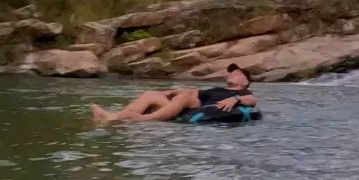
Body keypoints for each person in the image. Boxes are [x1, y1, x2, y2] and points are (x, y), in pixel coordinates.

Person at [91, 63, 258, 125]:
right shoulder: (217, 90)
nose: (231, 74)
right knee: (151, 94)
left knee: (186, 97)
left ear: (245, 82)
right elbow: (194, 92)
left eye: (237, 73)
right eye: (231, 72)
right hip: (188, 108)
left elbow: (252, 100)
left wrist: (235, 99)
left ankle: (143, 119)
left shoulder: (243, 91)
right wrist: (171, 92)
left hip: (202, 110)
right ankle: (112, 117)